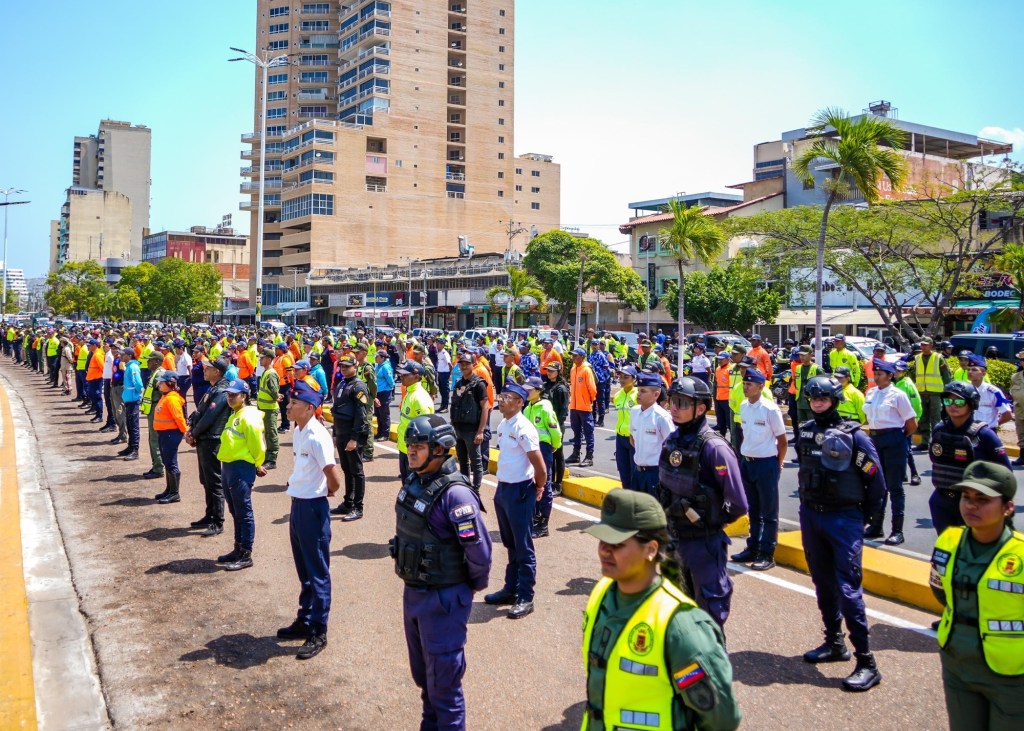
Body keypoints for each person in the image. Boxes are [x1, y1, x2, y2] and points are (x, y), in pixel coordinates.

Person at [581, 489, 742, 731]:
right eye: (603, 541)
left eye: (617, 543)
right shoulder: (602, 592)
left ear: (651, 549)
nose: (605, 550)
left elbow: (721, 720)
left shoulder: (681, 627)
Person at [391, 415, 492, 731]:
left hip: (444, 600)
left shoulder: (456, 495)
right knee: (425, 681)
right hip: (415, 595)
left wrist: (467, 588)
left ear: (440, 449)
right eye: (410, 445)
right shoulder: (415, 481)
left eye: (419, 446)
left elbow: (480, 553)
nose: (412, 452)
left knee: (445, 689)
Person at [795, 376, 886, 692]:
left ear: (834, 399)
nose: (817, 402)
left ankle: (866, 662)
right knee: (822, 581)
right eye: (813, 398)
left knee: (848, 589)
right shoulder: (806, 430)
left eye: (823, 398)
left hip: (843, 518)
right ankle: (834, 643)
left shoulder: (855, 436)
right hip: (812, 515)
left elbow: (876, 481)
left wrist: (870, 522)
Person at [929, 460, 1024, 730]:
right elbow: (940, 591)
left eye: (982, 499)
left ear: (1008, 507)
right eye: (966, 497)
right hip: (957, 666)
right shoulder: (949, 540)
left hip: (1012, 675)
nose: (971, 505)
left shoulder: (1021, 554)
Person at [657, 377, 747, 629]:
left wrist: (712, 519)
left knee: (708, 612)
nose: (674, 407)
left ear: (700, 408)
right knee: (674, 607)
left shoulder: (714, 448)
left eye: (682, 403)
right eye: (673, 401)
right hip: (673, 539)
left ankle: (710, 666)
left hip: (703, 543)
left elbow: (738, 503)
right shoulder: (672, 441)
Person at [276, 381, 342, 660]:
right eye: (289, 402)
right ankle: (305, 618)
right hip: (298, 504)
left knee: (317, 571)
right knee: (303, 568)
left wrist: (326, 492)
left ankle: (318, 629)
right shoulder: (299, 429)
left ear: (310, 408)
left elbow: (334, 477)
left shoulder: (317, 434)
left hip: (313, 508)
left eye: (294, 403)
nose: (288, 406)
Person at [484, 382, 546, 619]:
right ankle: (510, 589)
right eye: (501, 396)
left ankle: (525, 596)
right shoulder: (503, 424)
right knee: (510, 544)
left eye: (508, 397)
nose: (501, 400)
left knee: (523, 546)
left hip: (520, 490)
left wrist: (538, 487)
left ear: (520, 402)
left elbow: (540, 466)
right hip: (504, 490)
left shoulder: (524, 428)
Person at [928, 381, 1012, 536]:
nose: (953, 405)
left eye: (959, 401)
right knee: (947, 550)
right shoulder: (939, 429)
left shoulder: (984, 435)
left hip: (972, 504)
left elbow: (1006, 474)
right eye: (948, 401)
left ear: (971, 404)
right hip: (941, 500)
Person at [733, 368, 787, 570]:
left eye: (750, 385)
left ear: (761, 387)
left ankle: (767, 553)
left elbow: (782, 441)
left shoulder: (770, 409)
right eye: (745, 384)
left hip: (766, 463)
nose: (745, 387)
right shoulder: (744, 406)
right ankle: (753, 546)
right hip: (748, 462)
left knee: (769, 512)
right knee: (753, 509)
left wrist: (778, 464)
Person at [863, 359, 918, 545]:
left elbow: (911, 423)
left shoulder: (898, 395)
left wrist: (899, 439)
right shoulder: (871, 393)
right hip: (875, 439)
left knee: (895, 487)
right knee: (878, 485)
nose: (876, 377)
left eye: (880, 374)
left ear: (890, 375)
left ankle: (897, 530)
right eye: (875, 374)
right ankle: (876, 525)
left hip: (894, 438)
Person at [216, 379, 267, 571]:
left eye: (234, 394)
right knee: (235, 510)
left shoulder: (248, 417)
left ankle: (246, 553)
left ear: (244, 396)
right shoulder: (236, 414)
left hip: (241, 467)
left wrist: (258, 463)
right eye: (228, 394)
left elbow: (257, 444)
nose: (230, 397)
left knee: (243, 512)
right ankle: (238, 548)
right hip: (229, 466)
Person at [185, 357, 232, 537]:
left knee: (214, 482)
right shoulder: (214, 387)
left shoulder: (221, 390)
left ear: (217, 372)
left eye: (208, 368)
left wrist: (194, 433)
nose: (204, 370)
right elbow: (200, 412)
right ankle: (209, 514)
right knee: (205, 479)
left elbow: (209, 417)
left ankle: (217, 521)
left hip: (212, 439)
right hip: (204, 438)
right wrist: (192, 431)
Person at [329, 355, 371, 522]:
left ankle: (358, 507)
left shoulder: (359, 386)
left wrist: (354, 438)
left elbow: (362, 415)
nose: (344, 369)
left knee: (357, 471)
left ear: (355, 366)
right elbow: (337, 409)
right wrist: (334, 432)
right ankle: (348, 502)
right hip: (341, 432)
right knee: (347, 469)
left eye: (347, 366)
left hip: (353, 434)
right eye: (342, 366)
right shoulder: (342, 383)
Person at [524, 376, 562, 539]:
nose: (526, 392)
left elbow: (555, 430)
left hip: (543, 447)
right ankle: (535, 517)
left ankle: (543, 523)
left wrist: (554, 445)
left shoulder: (545, 408)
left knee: (544, 483)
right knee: (532, 482)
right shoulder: (527, 409)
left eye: (530, 389)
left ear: (538, 391)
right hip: (531, 448)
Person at [628, 371, 674, 496]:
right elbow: (632, 438)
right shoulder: (634, 411)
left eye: (643, 391)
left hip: (655, 474)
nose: (638, 394)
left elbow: (673, 447)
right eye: (638, 390)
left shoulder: (661, 417)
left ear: (656, 394)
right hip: (637, 472)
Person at [909, 336, 952, 452]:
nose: (923, 347)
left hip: (935, 393)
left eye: (925, 345)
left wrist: (947, 393)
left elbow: (946, 376)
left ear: (931, 346)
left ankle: (937, 442)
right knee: (923, 419)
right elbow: (914, 375)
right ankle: (924, 442)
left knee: (936, 419)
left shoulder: (938, 358)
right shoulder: (917, 358)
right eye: (922, 345)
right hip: (921, 392)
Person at [152, 372, 189, 505]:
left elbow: (179, 417)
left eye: (162, 383)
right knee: (167, 462)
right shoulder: (166, 396)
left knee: (171, 462)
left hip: (170, 433)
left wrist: (185, 432)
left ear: (170, 384)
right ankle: (169, 489)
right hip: (164, 433)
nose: (159, 385)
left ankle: (174, 493)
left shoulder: (172, 398)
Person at [396, 360, 436, 483]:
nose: (401, 377)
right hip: (405, 448)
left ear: (416, 376)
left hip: (414, 452)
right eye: (401, 374)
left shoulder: (419, 398)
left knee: (415, 489)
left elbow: (426, 429)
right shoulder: (410, 392)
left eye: (405, 375)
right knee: (407, 486)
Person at [892, 359, 923, 485]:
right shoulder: (893, 383)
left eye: (899, 371)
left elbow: (916, 404)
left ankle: (915, 473)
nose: (896, 373)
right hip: (895, 421)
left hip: (906, 420)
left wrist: (915, 419)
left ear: (904, 372)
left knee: (907, 449)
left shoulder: (907, 384)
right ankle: (903, 473)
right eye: (895, 370)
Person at [542, 361, 570, 496]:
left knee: (558, 455)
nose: (549, 372)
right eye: (548, 370)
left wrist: (555, 427)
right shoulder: (545, 386)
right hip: (545, 426)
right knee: (549, 455)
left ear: (558, 372)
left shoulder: (561, 389)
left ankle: (558, 484)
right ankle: (550, 481)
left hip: (556, 426)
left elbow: (563, 411)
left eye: (552, 371)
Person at [966, 354, 1013, 431]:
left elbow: (1007, 415)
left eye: (974, 370)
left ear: (983, 373)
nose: (970, 372)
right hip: (967, 431)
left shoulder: (993, 392)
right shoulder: (964, 389)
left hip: (987, 431)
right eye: (968, 369)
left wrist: (993, 425)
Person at [568, 347, 598, 467]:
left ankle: (589, 456)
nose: (573, 358)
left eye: (576, 356)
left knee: (588, 432)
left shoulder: (586, 370)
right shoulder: (573, 369)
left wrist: (589, 400)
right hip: (574, 406)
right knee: (576, 432)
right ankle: (576, 454)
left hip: (584, 407)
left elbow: (592, 388)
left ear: (582, 357)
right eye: (573, 356)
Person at [140, 352, 167, 479]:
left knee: (155, 440)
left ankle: (158, 468)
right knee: (153, 439)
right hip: (153, 409)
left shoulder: (160, 374)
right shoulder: (156, 373)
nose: (147, 362)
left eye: (150, 360)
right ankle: (156, 465)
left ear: (156, 361)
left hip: (157, 410)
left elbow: (165, 393)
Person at [612, 365, 639, 490]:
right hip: (620, 438)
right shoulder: (618, 395)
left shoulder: (638, 395)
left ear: (634, 379)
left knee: (635, 472)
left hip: (634, 439)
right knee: (623, 471)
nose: (622, 380)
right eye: (620, 377)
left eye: (626, 377)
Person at [255, 349, 280, 470]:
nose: (260, 359)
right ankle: (267, 456)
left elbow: (274, 391)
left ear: (269, 359)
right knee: (266, 433)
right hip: (264, 408)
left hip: (269, 409)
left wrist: (276, 396)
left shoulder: (270, 373)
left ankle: (271, 460)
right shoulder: (266, 372)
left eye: (263, 358)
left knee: (271, 434)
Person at [117, 347, 144, 461]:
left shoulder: (133, 367)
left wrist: (137, 395)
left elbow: (138, 384)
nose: (121, 356)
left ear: (129, 355)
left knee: (134, 426)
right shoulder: (128, 366)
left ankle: (135, 450)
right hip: (129, 399)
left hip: (133, 400)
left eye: (123, 354)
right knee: (129, 424)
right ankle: (130, 447)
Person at [374, 348, 395, 441]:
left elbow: (390, 381)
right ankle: (379, 432)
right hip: (378, 392)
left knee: (384, 414)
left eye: (377, 357)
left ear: (382, 358)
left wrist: (390, 389)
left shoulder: (386, 367)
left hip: (384, 392)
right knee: (378, 414)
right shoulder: (378, 366)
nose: (375, 358)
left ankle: (385, 434)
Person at [713, 351, 732, 437]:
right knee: (720, 423)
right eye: (719, 359)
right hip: (719, 398)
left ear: (727, 359)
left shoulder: (730, 369)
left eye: (721, 359)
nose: (719, 361)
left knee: (729, 423)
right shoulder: (717, 369)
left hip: (727, 399)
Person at [1010, 350, 1024, 467]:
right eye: (1022, 360)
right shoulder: (1015, 377)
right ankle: (1023, 456)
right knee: (1021, 435)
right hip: (1020, 411)